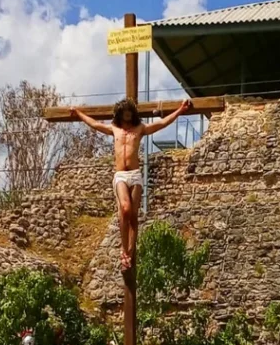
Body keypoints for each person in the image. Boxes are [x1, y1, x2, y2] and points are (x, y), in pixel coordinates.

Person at [70, 99, 192, 271]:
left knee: (134, 216)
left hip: (135, 175)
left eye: (130, 111)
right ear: (120, 113)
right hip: (121, 175)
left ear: (133, 113)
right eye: (124, 111)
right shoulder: (115, 129)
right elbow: (95, 124)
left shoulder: (139, 129)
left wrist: (180, 110)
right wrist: (78, 113)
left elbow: (162, 123)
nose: (127, 114)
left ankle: (129, 253)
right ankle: (123, 247)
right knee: (125, 208)